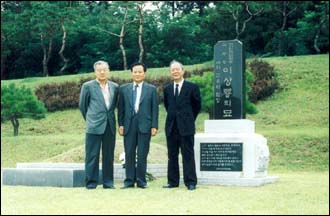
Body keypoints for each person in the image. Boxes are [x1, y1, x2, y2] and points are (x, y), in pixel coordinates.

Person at [118, 62, 159, 189]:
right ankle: (129, 181)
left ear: (144, 73)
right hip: (128, 125)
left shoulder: (151, 89)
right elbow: (121, 108)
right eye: (135, 72)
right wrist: (120, 124)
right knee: (129, 153)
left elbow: (154, 109)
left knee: (142, 154)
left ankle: (141, 181)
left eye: (140, 72)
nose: (137, 74)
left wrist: (154, 126)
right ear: (131, 73)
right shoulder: (124, 89)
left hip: (145, 125)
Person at [79, 60, 119, 189]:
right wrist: (91, 119)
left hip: (110, 125)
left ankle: (108, 182)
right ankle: (91, 183)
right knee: (92, 155)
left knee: (108, 155)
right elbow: (83, 106)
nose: (102, 72)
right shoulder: (88, 86)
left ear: (108, 70)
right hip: (94, 126)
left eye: (105, 69)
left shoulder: (115, 86)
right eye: (99, 70)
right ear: (95, 72)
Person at [163, 60, 201, 190]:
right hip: (171, 127)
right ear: (170, 72)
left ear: (183, 71)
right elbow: (168, 107)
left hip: (186, 127)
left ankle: (190, 182)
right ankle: (172, 182)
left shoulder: (192, 87)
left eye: (177, 69)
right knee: (172, 155)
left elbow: (196, 106)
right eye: (172, 70)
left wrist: (188, 119)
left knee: (188, 154)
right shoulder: (167, 89)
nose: (175, 72)